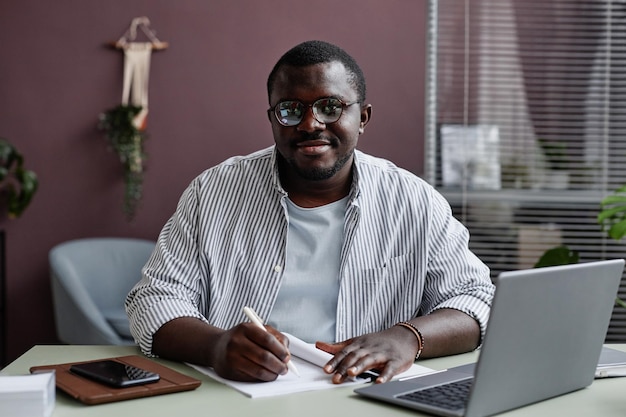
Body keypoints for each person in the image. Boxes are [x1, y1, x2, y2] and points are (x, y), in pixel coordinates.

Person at [126, 40, 495, 385]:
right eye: (290, 109)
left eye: (330, 107)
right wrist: (217, 347)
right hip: (240, 393)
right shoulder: (214, 192)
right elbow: (154, 300)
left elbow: (475, 300)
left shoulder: (413, 201)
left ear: (363, 117)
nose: (309, 124)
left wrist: (407, 338)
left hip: (365, 394)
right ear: (272, 118)